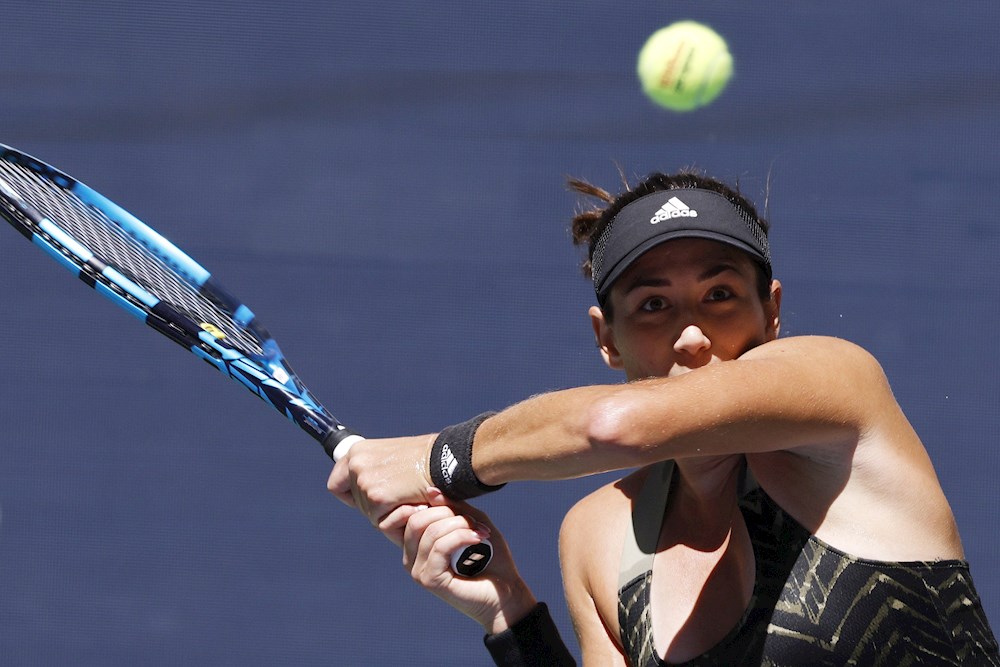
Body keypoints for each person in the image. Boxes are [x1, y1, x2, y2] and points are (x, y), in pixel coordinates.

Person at [329, 171, 1000, 666]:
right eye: (653, 305)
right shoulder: (598, 537)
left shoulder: (841, 389)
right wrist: (508, 612)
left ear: (772, 310)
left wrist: (441, 457)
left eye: (720, 294)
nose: (691, 336)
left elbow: (614, 425)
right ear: (606, 337)